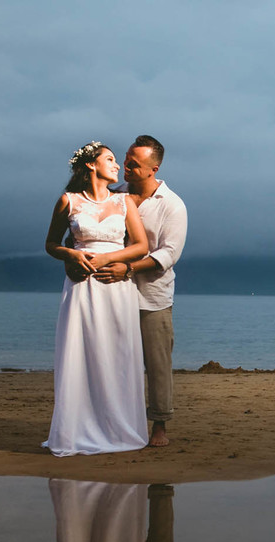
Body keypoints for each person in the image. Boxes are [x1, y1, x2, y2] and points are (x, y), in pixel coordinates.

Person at [43, 141, 150, 456]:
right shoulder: (68, 201)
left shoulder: (124, 202)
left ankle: (119, 428)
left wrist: (107, 259)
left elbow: (141, 245)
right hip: (81, 286)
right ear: (91, 164)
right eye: (111, 159)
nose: (117, 166)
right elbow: (50, 243)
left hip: (115, 284)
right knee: (81, 353)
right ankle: (77, 429)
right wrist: (70, 254)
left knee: (117, 354)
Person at [106, 135, 188, 448]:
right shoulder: (113, 196)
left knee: (157, 364)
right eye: (125, 158)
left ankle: (159, 428)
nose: (124, 166)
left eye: (133, 163)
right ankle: (119, 423)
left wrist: (128, 268)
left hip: (152, 297)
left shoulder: (173, 205)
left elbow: (169, 254)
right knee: (115, 362)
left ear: (153, 168)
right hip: (112, 293)